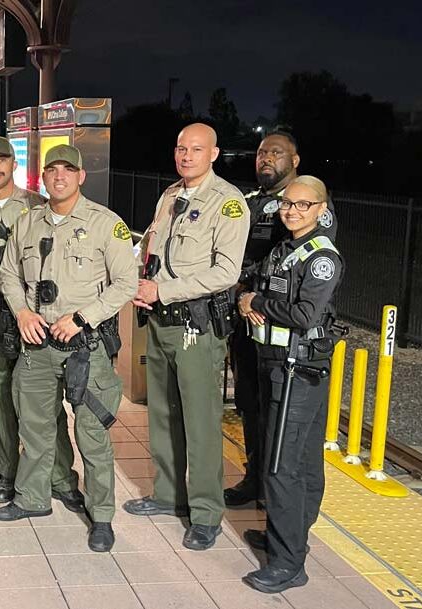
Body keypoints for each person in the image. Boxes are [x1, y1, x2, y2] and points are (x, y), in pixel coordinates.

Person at [0, 144, 137, 552]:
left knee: (92, 434)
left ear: (80, 176)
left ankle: (102, 515)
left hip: (84, 348)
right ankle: (35, 498)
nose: (59, 176)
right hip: (36, 345)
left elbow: (125, 283)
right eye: (52, 170)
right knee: (35, 427)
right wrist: (21, 312)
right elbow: (8, 274)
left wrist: (82, 317)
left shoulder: (105, 224)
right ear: (42, 176)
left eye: (67, 170)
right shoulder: (27, 222)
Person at [125, 123, 249, 551]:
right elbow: (152, 251)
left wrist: (163, 290)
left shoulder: (228, 203)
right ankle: (168, 495)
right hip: (159, 321)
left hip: (196, 326)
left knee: (199, 422)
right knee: (161, 413)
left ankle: (205, 512)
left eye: (196, 149)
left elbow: (226, 272)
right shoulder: (169, 195)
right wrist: (143, 284)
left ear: (214, 154)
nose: (186, 155)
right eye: (180, 147)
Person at [0, 136, 83, 507]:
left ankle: (61, 478)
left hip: (37, 318)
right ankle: (10, 474)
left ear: (14, 164)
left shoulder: (39, 207)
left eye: (2, 161)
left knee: (46, 403)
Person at [237, 175, 342, 593]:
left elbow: (304, 316)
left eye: (302, 205)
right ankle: (290, 537)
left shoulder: (321, 257)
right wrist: (253, 298)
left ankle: (288, 563)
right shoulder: (286, 246)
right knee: (300, 463)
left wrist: (255, 302)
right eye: (287, 203)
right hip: (279, 365)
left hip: (298, 370)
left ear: (321, 209)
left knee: (282, 466)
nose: (292, 210)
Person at [225, 130, 302, 508]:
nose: (266, 158)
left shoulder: (302, 204)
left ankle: (275, 491)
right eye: (260, 153)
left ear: (295, 161)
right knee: (249, 403)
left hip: (277, 324)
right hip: (244, 321)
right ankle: (255, 478)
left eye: (276, 152)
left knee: (276, 409)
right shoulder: (249, 202)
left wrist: (249, 290)